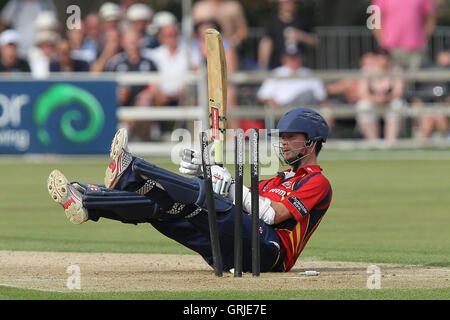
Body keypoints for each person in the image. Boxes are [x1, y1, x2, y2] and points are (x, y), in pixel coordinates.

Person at [47, 107, 332, 273]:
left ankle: (132, 169)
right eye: (281, 138)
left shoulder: (317, 182)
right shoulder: (275, 180)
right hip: (234, 247)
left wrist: (224, 184)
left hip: (270, 253)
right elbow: (236, 200)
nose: (283, 144)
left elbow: (271, 214)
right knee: (166, 208)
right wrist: (207, 170)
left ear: (312, 142)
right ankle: (89, 202)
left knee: (199, 195)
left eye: (291, 138)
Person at [355, 51, 405, 141]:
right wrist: (376, 99)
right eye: (380, 59)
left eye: (385, 59)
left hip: (389, 101)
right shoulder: (367, 70)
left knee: (397, 104)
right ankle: (373, 142)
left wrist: (385, 98)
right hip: (372, 102)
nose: (383, 62)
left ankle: (391, 142)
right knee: (363, 105)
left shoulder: (396, 70)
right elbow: (361, 92)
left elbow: (398, 92)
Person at [372, 0, 436, 70]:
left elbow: (431, 17)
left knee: (417, 79)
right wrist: (383, 43)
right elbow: (375, 21)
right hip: (390, 50)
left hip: (416, 50)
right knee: (393, 79)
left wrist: (423, 38)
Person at [257, 46, 327, 109]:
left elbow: (321, 97)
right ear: (283, 59)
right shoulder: (275, 73)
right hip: (283, 108)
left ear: (301, 58)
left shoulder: (310, 74)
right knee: (307, 95)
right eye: (290, 57)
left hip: (308, 109)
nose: (293, 60)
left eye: (296, 57)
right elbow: (262, 96)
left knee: (311, 97)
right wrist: (271, 101)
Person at [258, 0, 317, 70]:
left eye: (291, 2)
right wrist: (263, 65)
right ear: (280, 5)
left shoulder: (303, 20)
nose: (288, 5)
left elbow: (314, 41)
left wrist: (301, 36)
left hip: (299, 67)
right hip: (276, 67)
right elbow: (266, 43)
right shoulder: (272, 22)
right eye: (286, 3)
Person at [411, 50, 450, 140]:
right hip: (426, 107)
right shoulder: (425, 70)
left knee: (440, 117)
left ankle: (447, 139)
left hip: (442, 107)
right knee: (427, 121)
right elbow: (415, 96)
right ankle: (422, 145)